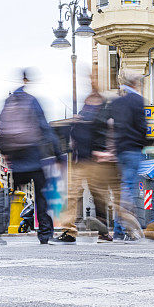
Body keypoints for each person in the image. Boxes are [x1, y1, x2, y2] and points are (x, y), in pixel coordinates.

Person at [0, 69, 62, 245]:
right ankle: (44, 233)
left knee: (11, 195)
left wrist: (6, 153)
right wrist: (58, 154)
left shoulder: (8, 102)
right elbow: (45, 128)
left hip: (17, 160)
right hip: (34, 157)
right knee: (41, 196)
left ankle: (0, 228)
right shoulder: (32, 101)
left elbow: (1, 130)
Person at [51, 81, 117, 244]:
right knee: (72, 195)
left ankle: (103, 232)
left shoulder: (104, 111)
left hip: (95, 161)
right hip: (80, 161)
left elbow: (103, 133)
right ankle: (69, 232)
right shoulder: (85, 111)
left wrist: (103, 152)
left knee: (99, 196)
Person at [109, 72, 148, 244]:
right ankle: (127, 229)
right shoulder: (137, 100)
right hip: (132, 149)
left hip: (119, 151)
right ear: (136, 84)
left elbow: (109, 125)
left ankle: (118, 231)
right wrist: (144, 141)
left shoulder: (116, 102)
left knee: (122, 188)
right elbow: (142, 126)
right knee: (128, 188)